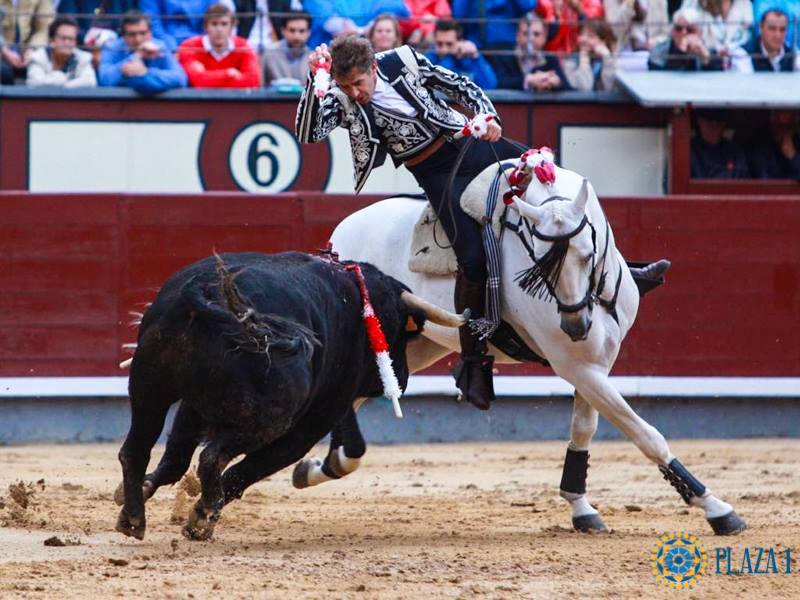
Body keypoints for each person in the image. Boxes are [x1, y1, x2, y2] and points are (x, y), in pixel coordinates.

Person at [295, 36, 669, 410]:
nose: (355, 93)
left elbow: (460, 85)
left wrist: (486, 115)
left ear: (373, 68)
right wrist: (317, 80)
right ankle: (474, 359)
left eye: (359, 83)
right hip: (437, 174)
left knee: (554, 187)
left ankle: (620, 273)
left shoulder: (401, 61)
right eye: (347, 86)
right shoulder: (341, 97)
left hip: (472, 144)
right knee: (472, 258)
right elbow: (308, 131)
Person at [98, 11, 187, 94]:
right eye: (132, 34)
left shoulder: (160, 47)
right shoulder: (112, 47)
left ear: (150, 33)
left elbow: (180, 79)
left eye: (143, 33)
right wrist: (137, 55)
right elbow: (104, 80)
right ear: (124, 36)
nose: (138, 39)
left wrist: (146, 72)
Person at [178, 4, 261, 88]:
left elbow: (253, 81)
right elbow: (197, 80)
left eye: (224, 24)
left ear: (232, 27)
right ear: (206, 27)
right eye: (214, 24)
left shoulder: (243, 46)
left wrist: (208, 76)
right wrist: (229, 74)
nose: (219, 29)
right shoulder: (190, 46)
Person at [492, 14, 572, 91]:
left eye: (536, 34)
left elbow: (569, 89)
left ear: (544, 37)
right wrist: (529, 80)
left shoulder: (550, 59)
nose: (531, 39)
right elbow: (499, 83)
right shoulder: (505, 55)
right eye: (526, 33)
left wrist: (556, 82)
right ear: (517, 36)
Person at [26, 16, 97, 87]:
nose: (67, 43)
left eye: (71, 39)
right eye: (63, 38)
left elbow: (90, 81)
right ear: (52, 40)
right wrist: (60, 78)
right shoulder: (38, 57)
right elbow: (34, 83)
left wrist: (67, 85)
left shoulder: (83, 58)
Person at [425, 19, 498, 89]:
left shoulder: (469, 57)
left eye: (449, 44)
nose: (444, 50)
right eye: (439, 44)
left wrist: (476, 58)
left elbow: (489, 85)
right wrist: (450, 57)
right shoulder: (429, 58)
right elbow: (439, 83)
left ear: (460, 41)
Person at [648, 8, 725, 70]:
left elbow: (719, 72)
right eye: (678, 29)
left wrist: (706, 59)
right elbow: (660, 77)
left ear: (700, 33)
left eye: (690, 30)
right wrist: (680, 54)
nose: (683, 33)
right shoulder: (658, 51)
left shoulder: (709, 47)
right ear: (672, 31)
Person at [732, 8, 800, 72]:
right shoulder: (743, 54)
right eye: (772, 28)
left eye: (782, 29)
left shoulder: (794, 55)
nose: (777, 35)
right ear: (761, 27)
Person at [140, 0, 224, 51]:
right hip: (164, 46)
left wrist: (200, 46)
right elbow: (152, 23)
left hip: (202, 46)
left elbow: (214, 20)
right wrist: (171, 48)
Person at [691, 109, 751, 178]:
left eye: (719, 121)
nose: (714, 124)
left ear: (724, 123)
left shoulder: (735, 152)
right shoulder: (688, 152)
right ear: (699, 121)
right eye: (709, 121)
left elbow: (744, 181)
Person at [1, 0, 55, 76]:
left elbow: (43, 28)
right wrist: (4, 51)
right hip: (2, 51)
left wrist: (32, 49)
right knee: (4, 72)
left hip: (27, 52)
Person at [562, 20, 618, 90]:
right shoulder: (572, 60)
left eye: (590, 36)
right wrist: (584, 59)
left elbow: (609, 88)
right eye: (581, 34)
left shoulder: (609, 59)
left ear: (603, 41)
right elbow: (585, 89)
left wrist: (607, 58)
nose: (583, 39)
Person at [678, 0, 753, 52]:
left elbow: (747, 35)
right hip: (705, 63)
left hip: (737, 63)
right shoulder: (697, 3)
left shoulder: (744, 3)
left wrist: (730, 49)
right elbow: (682, 20)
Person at [262, 11, 312, 86]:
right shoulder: (269, 54)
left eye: (301, 31)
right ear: (283, 30)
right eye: (292, 30)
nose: (296, 36)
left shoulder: (313, 57)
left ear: (308, 33)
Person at [747, 110, 800, 179]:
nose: (785, 133)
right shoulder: (760, 144)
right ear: (773, 121)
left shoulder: (797, 141)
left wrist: (793, 157)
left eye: (789, 127)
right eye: (780, 126)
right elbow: (765, 180)